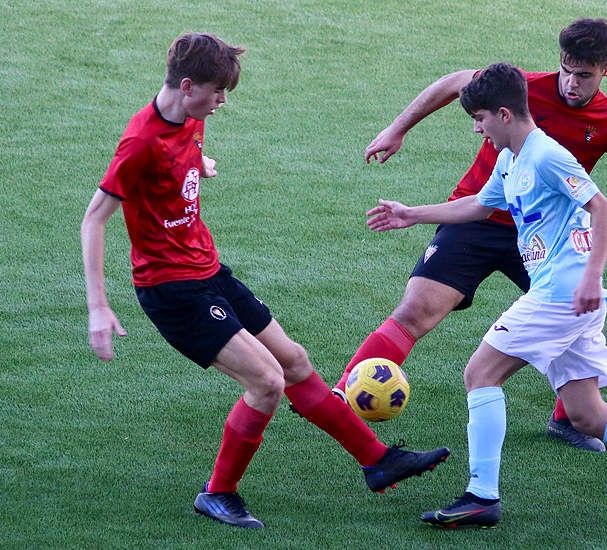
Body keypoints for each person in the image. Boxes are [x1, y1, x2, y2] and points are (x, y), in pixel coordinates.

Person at [80, 32, 449, 530]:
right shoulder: (141, 141)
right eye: (217, 93)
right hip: (172, 290)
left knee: (293, 360)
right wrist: (98, 306)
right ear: (187, 86)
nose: (222, 103)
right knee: (267, 382)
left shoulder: (188, 119)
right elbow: (94, 219)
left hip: (209, 271)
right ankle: (217, 492)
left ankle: (377, 460)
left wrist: (198, 165)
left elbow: (177, 167)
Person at [366, 62, 607, 530]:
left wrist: (591, 278)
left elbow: (605, 211)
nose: (477, 129)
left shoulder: (545, 156)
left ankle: (481, 495)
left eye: (479, 120)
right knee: (587, 413)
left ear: (504, 113)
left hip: (563, 292)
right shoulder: (510, 158)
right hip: (564, 294)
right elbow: (479, 204)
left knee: (480, 373)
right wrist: (411, 213)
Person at [333, 18, 607, 453]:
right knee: (418, 309)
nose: (570, 83)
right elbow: (456, 82)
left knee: (575, 317)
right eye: (566, 69)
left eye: (584, 75)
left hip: (546, 239)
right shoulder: (521, 90)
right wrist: (398, 128)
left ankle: (571, 418)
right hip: (478, 215)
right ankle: (344, 395)